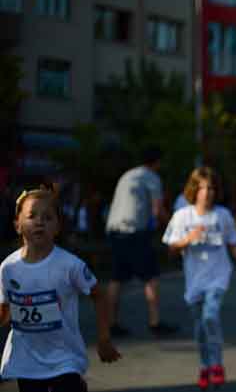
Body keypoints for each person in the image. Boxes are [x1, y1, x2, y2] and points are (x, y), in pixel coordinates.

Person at [0, 185, 121, 391]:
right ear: (17, 224)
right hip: (27, 361)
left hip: (65, 359)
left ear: (57, 227)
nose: (39, 222)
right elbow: (4, 312)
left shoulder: (70, 265)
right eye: (32, 216)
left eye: (47, 218)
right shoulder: (8, 268)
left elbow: (99, 296)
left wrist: (104, 338)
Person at [163, 167, 236, 389]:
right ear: (193, 190)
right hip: (194, 279)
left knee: (210, 316)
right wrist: (188, 239)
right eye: (201, 188)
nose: (206, 192)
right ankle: (205, 365)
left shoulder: (223, 215)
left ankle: (217, 364)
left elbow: (231, 240)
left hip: (218, 275)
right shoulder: (182, 216)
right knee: (199, 326)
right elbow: (171, 247)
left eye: (210, 188)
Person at [105, 147, 177, 338]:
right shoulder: (152, 178)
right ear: (157, 162)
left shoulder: (127, 175)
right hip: (135, 232)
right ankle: (155, 322)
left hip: (114, 230)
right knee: (151, 276)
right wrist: (174, 226)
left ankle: (110, 323)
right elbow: (157, 210)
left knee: (116, 278)